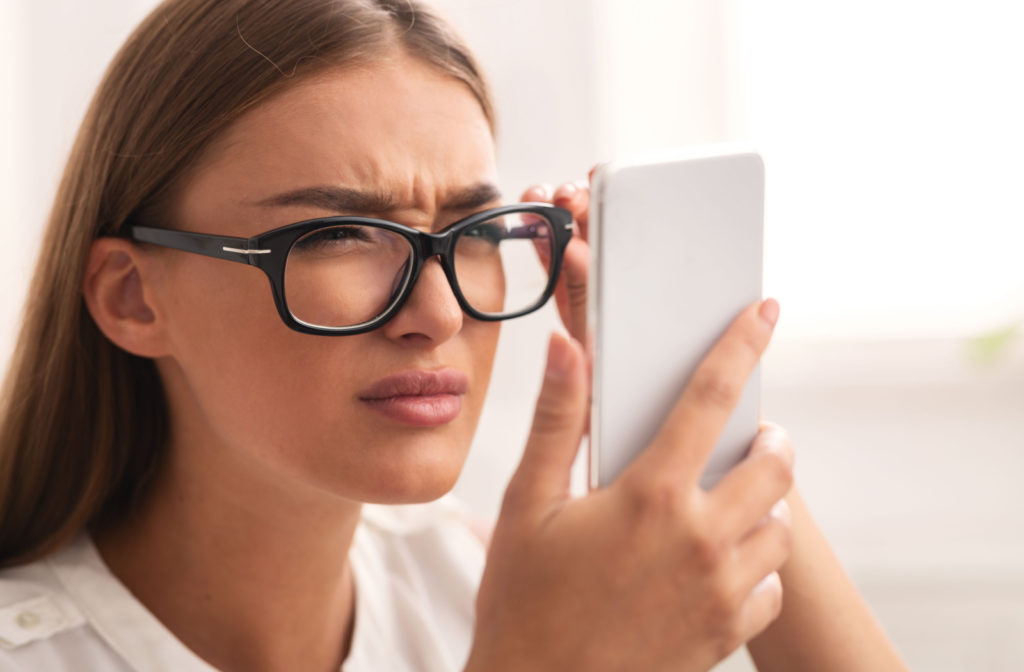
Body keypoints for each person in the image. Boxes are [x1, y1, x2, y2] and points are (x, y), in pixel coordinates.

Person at [0, 0, 907, 670]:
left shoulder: (477, 579)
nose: (437, 314)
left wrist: (707, 429)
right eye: (340, 234)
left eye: (473, 232)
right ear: (132, 297)